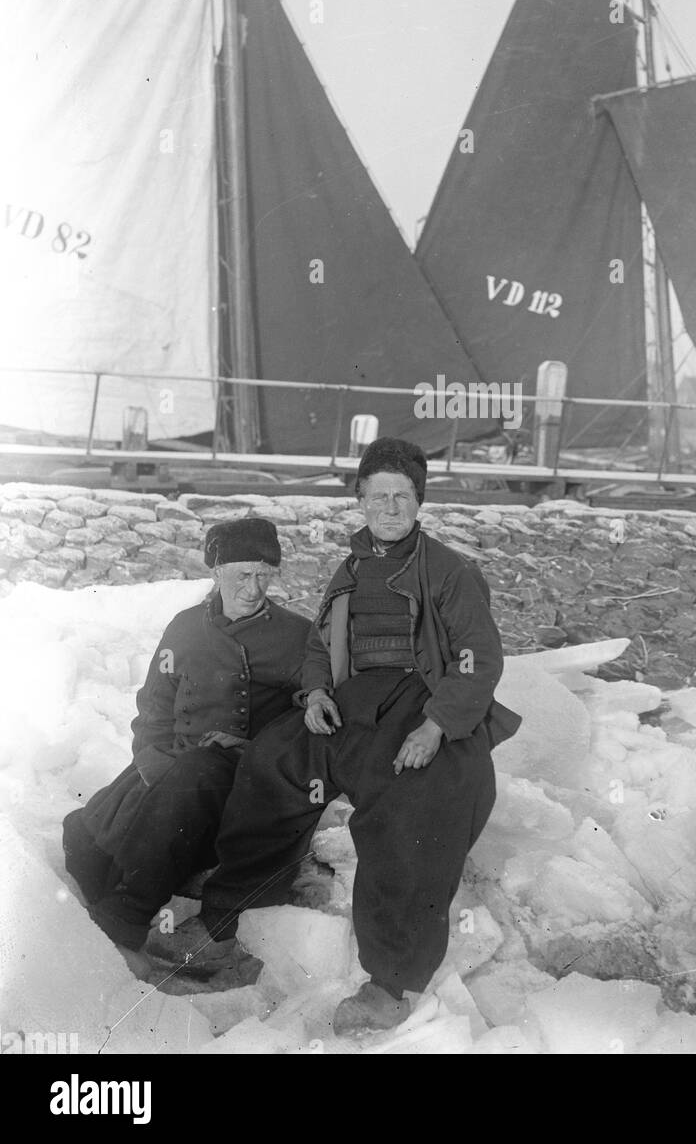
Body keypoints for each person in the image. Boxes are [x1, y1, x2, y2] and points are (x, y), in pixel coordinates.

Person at [148, 437, 521, 1033]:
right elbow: (322, 645)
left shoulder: (452, 572)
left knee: (410, 810)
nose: (390, 509)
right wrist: (317, 693)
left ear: (418, 502)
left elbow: (477, 658)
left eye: (402, 497)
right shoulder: (350, 569)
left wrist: (437, 727)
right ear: (362, 500)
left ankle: (391, 983)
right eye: (379, 497)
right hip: (351, 705)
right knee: (273, 760)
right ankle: (227, 920)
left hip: (425, 704)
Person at [62, 517, 311, 975]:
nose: (253, 589)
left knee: (195, 774)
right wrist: (153, 767)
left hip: (242, 777)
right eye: (241, 575)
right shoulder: (184, 628)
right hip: (175, 767)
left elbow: (307, 720)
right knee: (81, 835)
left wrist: (251, 744)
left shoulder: (297, 637)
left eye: (263, 575)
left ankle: (126, 920)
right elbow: (153, 710)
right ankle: (120, 935)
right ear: (216, 574)